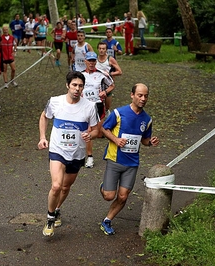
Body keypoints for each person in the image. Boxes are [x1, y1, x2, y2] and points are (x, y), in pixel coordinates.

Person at [38, 71, 99, 237]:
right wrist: (43, 137)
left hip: (77, 154)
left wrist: (90, 135)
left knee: (65, 187)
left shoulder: (90, 106)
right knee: (56, 185)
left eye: (80, 86)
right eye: (74, 85)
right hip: (57, 150)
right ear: (67, 85)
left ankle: (57, 210)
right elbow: (44, 117)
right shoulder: (55, 102)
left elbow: (96, 130)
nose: (77, 89)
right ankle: (50, 218)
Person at [100, 83, 159, 235]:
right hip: (115, 159)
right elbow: (103, 128)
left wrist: (150, 142)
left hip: (132, 164)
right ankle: (105, 186)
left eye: (146, 96)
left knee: (123, 196)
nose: (143, 98)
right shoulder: (119, 113)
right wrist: (116, 140)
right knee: (109, 196)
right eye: (140, 95)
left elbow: (144, 140)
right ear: (132, 95)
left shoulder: (147, 119)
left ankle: (107, 220)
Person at [82, 51, 115, 168]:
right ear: (85, 61)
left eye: (93, 61)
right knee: (88, 132)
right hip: (86, 106)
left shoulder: (102, 74)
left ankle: (109, 148)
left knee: (100, 133)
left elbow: (112, 84)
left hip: (98, 106)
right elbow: (73, 86)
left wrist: (105, 92)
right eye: (89, 61)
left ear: (96, 62)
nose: (91, 63)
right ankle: (89, 157)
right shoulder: (80, 75)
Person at [96, 42, 122, 114]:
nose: (101, 50)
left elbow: (119, 71)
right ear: (98, 49)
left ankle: (107, 118)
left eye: (103, 49)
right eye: (100, 48)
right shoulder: (94, 59)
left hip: (108, 85)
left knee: (107, 107)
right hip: (97, 85)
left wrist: (110, 74)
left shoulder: (110, 59)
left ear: (106, 50)